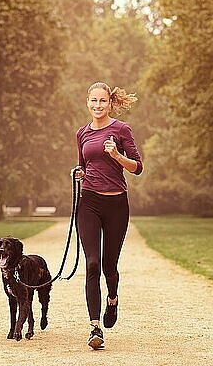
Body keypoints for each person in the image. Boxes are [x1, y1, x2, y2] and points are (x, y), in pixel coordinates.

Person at [73, 81, 143, 349]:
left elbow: (137, 167)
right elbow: (83, 164)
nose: (97, 106)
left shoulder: (121, 130)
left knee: (108, 266)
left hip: (116, 205)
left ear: (110, 103)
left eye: (102, 101)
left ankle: (112, 300)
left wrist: (116, 155)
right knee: (92, 264)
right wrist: (78, 173)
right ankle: (94, 328)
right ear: (87, 102)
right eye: (93, 101)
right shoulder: (82, 133)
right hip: (88, 202)